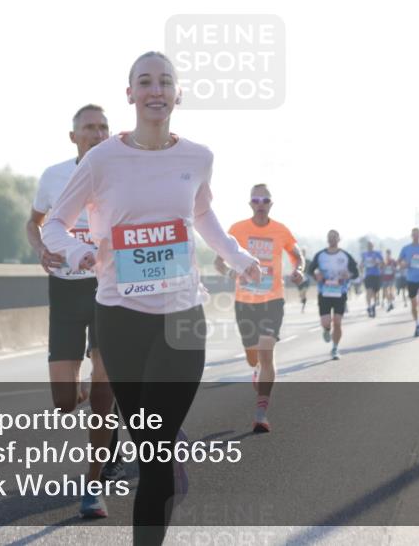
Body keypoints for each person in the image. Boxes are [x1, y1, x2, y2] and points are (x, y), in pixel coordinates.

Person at [43, 51, 261, 545]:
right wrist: (78, 251)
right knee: (150, 447)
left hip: (182, 317)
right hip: (119, 318)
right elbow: (54, 223)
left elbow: (203, 215)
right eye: (145, 82)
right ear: (130, 94)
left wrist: (237, 255)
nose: (155, 90)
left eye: (165, 81)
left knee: (156, 451)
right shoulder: (102, 160)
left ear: (178, 93)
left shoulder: (198, 157)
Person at [27, 104, 121, 518]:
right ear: (74, 137)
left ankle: (94, 486)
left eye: (103, 127)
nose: (97, 133)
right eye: (89, 128)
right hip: (65, 290)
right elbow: (34, 223)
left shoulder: (123, 174)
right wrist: (41, 249)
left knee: (101, 394)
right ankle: (93, 395)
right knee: (65, 401)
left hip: (109, 290)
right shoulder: (53, 176)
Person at [215, 184, 305, 434]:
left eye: (265, 199)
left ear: (271, 203)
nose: (261, 203)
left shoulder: (281, 230)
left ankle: (261, 413)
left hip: (272, 300)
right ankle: (255, 370)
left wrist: (299, 269)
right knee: (252, 356)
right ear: (250, 204)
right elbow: (218, 261)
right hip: (244, 302)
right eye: (256, 200)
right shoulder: (237, 230)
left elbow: (297, 254)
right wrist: (232, 271)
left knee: (267, 352)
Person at [306, 230, 359, 360]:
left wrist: (349, 275)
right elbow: (310, 270)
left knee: (338, 322)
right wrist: (316, 275)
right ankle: (326, 329)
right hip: (324, 292)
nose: (332, 239)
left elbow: (356, 272)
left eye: (335, 237)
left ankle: (335, 348)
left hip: (340, 292)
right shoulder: (320, 255)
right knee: (326, 322)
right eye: (330, 237)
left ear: (339, 239)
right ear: (327, 239)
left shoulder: (345, 255)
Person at [398, 227, 419, 337]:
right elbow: (399, 261)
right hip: (411, 278)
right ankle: (417, 323)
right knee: (413, 304)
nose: (416, 237)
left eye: (417, 235)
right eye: (414, 235)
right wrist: (403, 264)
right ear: (411, 236)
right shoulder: (406, 248)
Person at [360, 240, 384, 318]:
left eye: (371, 245)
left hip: (376, 275)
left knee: (375, 292)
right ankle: (369, 307)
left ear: (373, 246)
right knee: (368, 291)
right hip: (368, 275)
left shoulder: (377, 253)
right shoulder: (364, 254)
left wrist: (378, 263)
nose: (369, 247)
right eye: (368, 246)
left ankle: (373, 305)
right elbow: (361, 264)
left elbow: (383, 263)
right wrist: (361, 270)